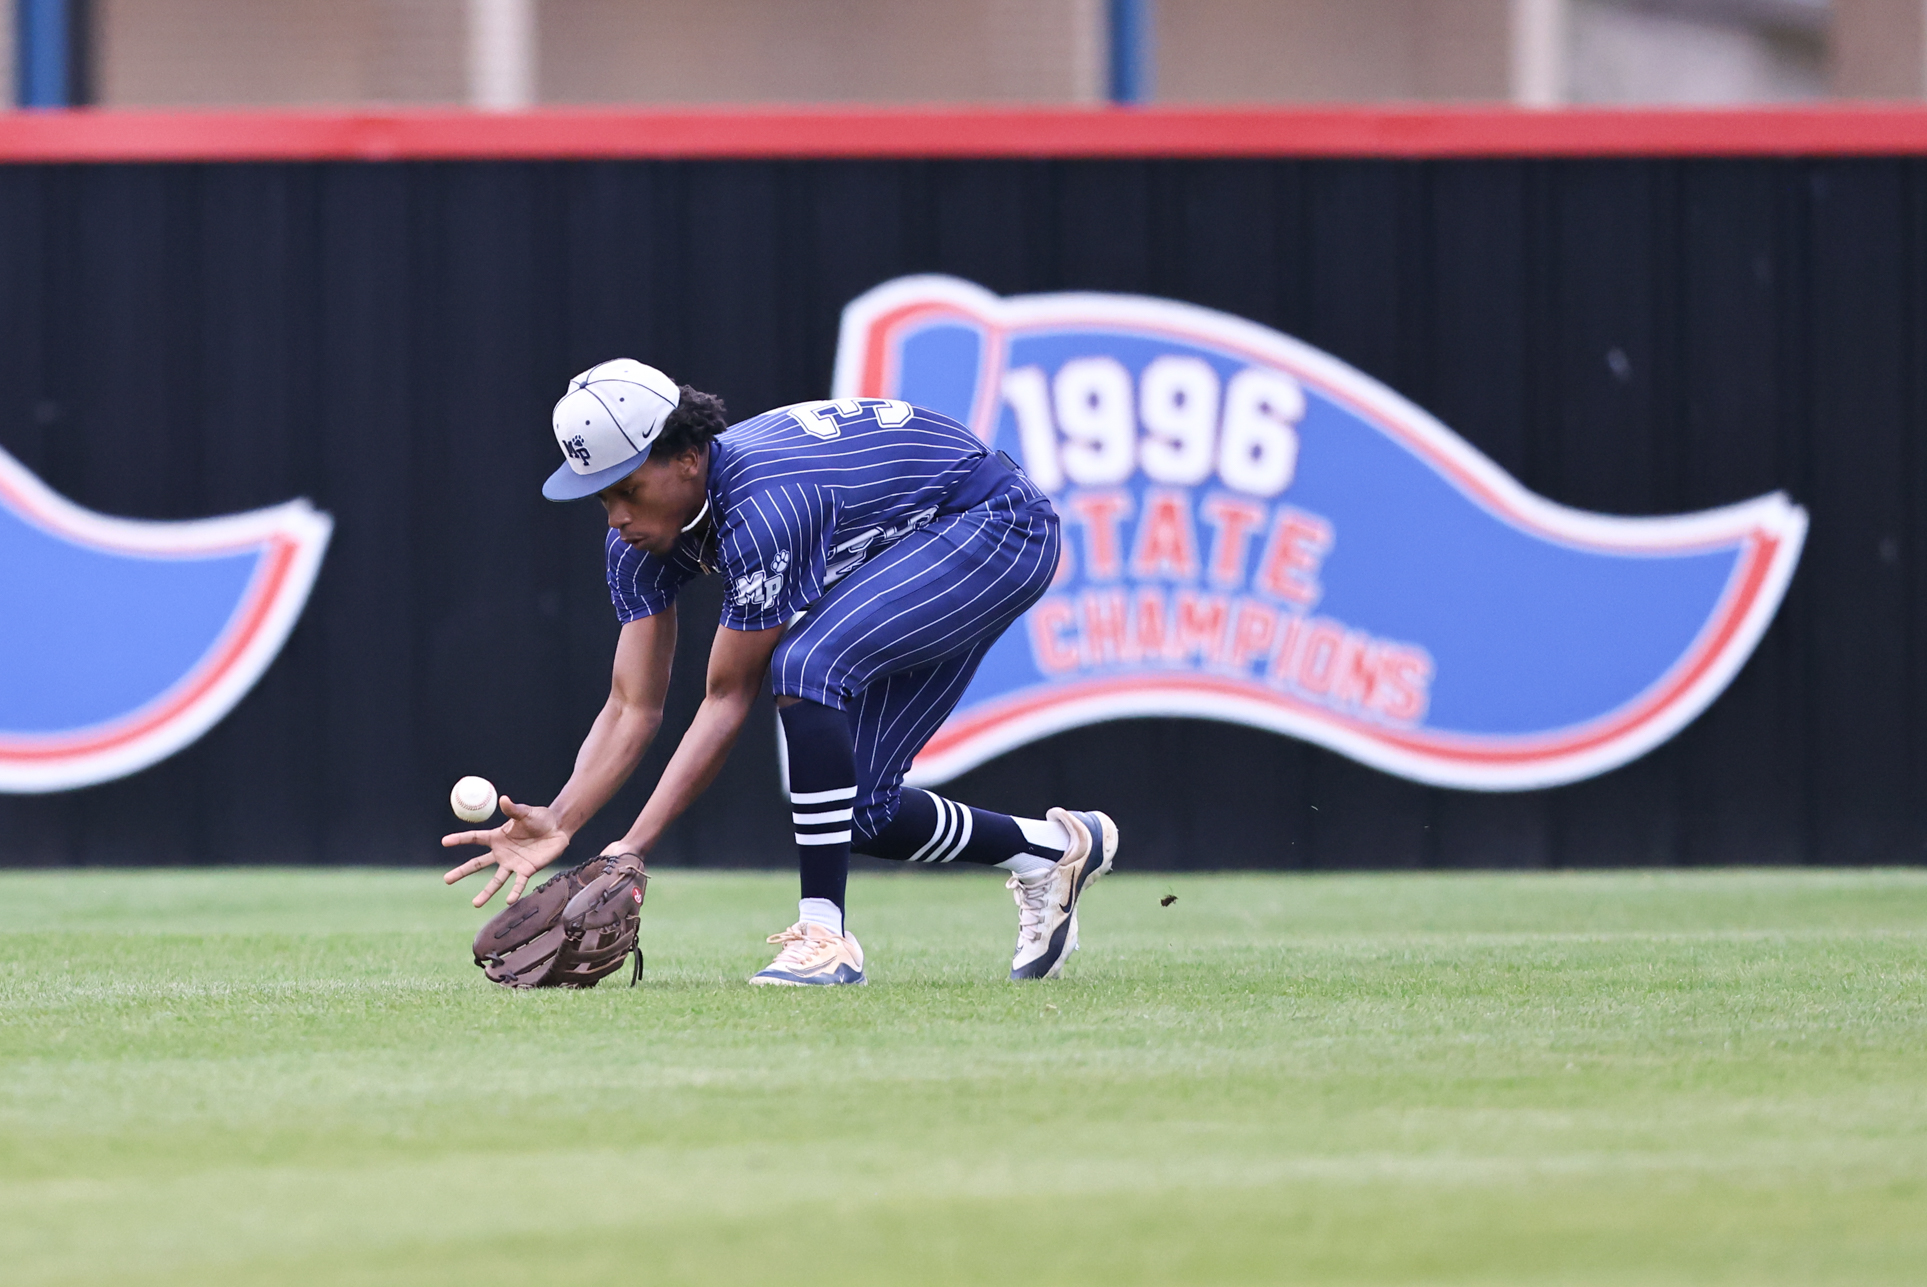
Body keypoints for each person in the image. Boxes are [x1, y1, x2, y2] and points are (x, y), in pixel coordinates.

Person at [442, 359, 1116, 985]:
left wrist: (630, 847)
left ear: (686, 458)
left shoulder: (764, 505)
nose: (617, 516)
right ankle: (1052, 849)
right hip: (919, 541)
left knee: (807, 662)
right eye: (600, 496)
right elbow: (631, 705)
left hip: (995, 524)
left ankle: (824, 937)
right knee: (862, 815)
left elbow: (727, 693)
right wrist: (562, 819)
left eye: (627, 488)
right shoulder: (638, 540)